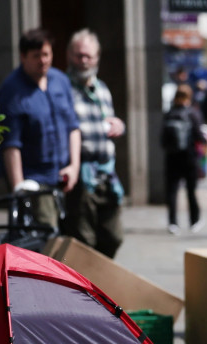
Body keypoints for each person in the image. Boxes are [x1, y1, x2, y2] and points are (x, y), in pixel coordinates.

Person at [0, 28, 81, 230]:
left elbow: (73, 127)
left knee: (78, 235)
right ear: (23, 57)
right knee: (46, 234)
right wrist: (19, 189)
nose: (43, 61)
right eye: (36, 56)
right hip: (35, 180)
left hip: (65, 175)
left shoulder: (60, 81)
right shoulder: (12, 90)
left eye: (46, 54)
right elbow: (11, 145)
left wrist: (74, 167)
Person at [64, 28, 126, 258]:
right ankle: (85, 278)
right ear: (69, 55)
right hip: (80, 176)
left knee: (113, 236)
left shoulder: (102, 89)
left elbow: (108, 122)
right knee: (84, 240)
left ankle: (98, 276)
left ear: (97, 58)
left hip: (106, 174)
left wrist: (119, 125)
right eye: (79, 55)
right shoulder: (63, 88)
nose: (83, 61)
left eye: (88, 56)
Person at [161, 84, 205, 235]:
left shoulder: (169, 114)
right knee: (191, 191)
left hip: (172, 157)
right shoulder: (193, 113)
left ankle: (173, 222)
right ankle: (194, 220)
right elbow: (199, 135)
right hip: (189, 157)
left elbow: (162, 139)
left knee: (172, 192)